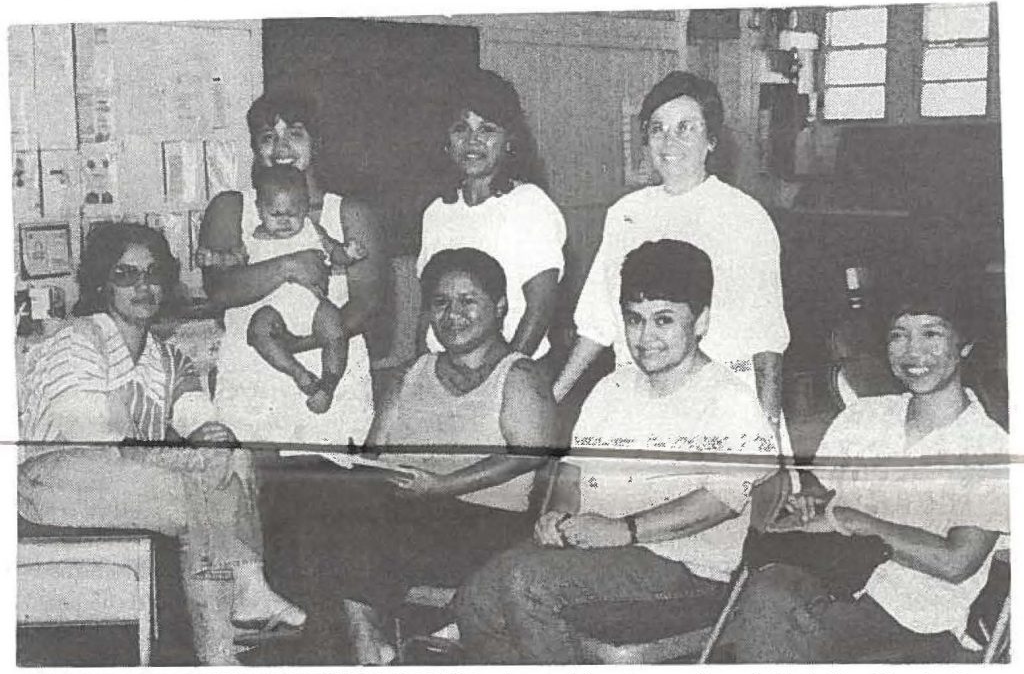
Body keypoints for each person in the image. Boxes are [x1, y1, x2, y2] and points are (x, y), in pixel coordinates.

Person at [456, 239, 777, 664]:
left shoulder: (728, 398)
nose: (645, 338)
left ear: (701, 321)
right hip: (604, 555)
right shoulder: (613, 388)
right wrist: (558, 517)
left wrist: (625, 530)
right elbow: (571, 474)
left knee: (525, 584)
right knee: (474, 597)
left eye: (664, 321)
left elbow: (720, 501)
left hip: (687, 573)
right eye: (634, 320)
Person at [17, 223, 305, 665]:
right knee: (195, 494)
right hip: (53, 479)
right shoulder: (76, 339)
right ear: (100, 283)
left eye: (152, 274)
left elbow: (204, 425)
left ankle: (239, 606)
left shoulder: (168, 357)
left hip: (128, 478)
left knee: (231, 460)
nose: (142, 286)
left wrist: (215, 443)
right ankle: (225, 638)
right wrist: (188, 458)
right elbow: (93, 436)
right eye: (125, 274)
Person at [273, 247, 559, 665]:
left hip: (485, 524)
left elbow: (530, 456)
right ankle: (369, 646)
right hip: (406, 513)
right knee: (307, 483)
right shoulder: (413, 372)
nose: (452, 315)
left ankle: (366, 648)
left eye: (468, 301)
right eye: (440, 303)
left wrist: (442, 486)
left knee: (340, 525)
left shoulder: (518, 375)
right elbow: (374, 453)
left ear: (499, 307)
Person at [719, 270, 1009, 662]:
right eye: (898, 335)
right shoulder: (864, 417)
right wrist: (806, 504)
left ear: (966, 345)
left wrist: (862, 524)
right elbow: (819, 496)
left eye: (931, 334)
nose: (912, 351)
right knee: (768, 593)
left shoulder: (988, 447)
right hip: (835, 587)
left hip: (917, 624)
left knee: (772, 614)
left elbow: (956, 562)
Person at [553, 71, 789, 436]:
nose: (669, 141)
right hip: (638, 393)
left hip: (721, 402)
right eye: (657, 128)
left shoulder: (743, 216)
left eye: (685, 128)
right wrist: (555, 394)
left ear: (711, 140)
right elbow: (598, 320)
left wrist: (768, 431)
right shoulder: (625, 214)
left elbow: (767, 338)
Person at [198, 89, 385, 445]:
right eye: (268, 137)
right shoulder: (231, 208)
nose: (281, 148)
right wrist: (288, 266)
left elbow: (368, 304)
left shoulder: (348, 213)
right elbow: (220, 290)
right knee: (251, 490)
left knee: (329, 490)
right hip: (252, 375)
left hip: (331, 372)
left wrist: (296, 345)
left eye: (295, 134)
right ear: (255, 147)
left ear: (317, 142)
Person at [418, 69, 566, 358]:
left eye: (486, 129)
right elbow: (429, 308)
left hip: (511, 365)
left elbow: (540, 309)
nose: (472, 141)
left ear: (510, 140)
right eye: (461, 128)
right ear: (447, 141)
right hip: (446, 367)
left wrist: (500, 377)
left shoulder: (530, 205)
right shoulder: (436, 212)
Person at [207, 164, 365, 415]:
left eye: (292, 213)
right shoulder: (253, 238)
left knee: (335, 330)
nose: (284, 221)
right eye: (275, 213)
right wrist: (214, 259)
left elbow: (334, 252)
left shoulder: (313, 230)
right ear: (259, 210)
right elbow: (231, 268)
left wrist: (347, 253)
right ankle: (298, 373)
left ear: (305, 209)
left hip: (311, 305)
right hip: (274, 312)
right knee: (258, 330)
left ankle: (328, 385)